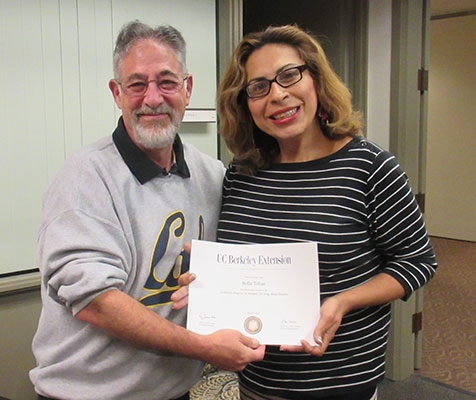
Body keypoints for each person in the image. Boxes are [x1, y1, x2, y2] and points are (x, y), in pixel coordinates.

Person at [29, 20, 264, 400]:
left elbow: (232, 268)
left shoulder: (212, 175)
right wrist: (205, 348)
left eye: (167, 82)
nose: (152, 98)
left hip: (174, 391)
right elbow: (97, 304)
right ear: (116, 93)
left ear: (187, 89)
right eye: (137, 84)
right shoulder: (84, 178)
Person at [214, 25, 437, 400]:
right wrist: (208, 282)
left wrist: (344, 301)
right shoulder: (241, 172)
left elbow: (417, 261)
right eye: (259, 86)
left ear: (315, 79)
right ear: (245, 104)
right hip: (256, 380)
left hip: (340, 382)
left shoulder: (369, 166)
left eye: (289, 75)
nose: (278, 95)